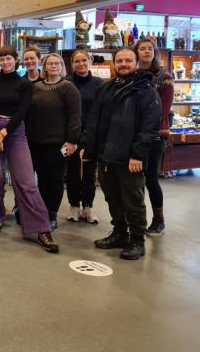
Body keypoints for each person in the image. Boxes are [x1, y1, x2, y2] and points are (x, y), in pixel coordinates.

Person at [82, 47, 161, 260]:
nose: (123, 64)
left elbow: (150, 126)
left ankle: (137, 240)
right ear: (114, 64)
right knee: (113, 198)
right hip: (106, 155)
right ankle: (119, 233)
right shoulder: (107, 88)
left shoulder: (145, 90)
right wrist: (89, 149)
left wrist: (138, 154)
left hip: (129, 157)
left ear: (136, 63)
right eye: (120, 61)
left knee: (133, 200)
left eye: (128, 60)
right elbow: (94, 121)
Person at [0, 45, 59, 253]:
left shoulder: (24, 84)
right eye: (2, 59)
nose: (5, 62)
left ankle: (42, 229)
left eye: (9, 58)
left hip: (14, 133)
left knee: (26, 181)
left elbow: (23, 111)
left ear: (16, 60)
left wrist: (3, 133)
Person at [27, 53, 82, 231]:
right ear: (44, 66)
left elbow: (75, 116)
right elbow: (29, 114)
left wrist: (72, 141)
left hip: (58, 144)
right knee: (42, 179)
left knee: (55, 179)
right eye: (50, 63)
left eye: (57, 63)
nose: (53, 66)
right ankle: (42, 212)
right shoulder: (36, 87)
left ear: (62, 66)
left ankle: (52, 214)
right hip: (36, 142)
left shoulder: (68, 87)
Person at [134, 38, 174, 236]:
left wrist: (146, 128)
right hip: (132, 134)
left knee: (150, 177)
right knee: (132, 179)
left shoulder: (164, 77)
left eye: (150, 48)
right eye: (142, 48)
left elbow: (163, 109)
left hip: (156, 134)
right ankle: (135, 220)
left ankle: (158, 220)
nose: (146, 51)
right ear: (137, 52)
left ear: (154, 52)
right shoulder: (132, 74)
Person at [65, 49, 104, 224]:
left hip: (92, 135)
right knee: (72, 172)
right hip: (70, 135)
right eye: (77, 61)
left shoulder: (99, 84)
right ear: (72, 64)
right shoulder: (66, 83)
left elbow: (100, 111)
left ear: (89, 62)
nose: (80, 64)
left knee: (89, 172)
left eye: (83, 61)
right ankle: (74, 206)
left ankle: (88, 207)